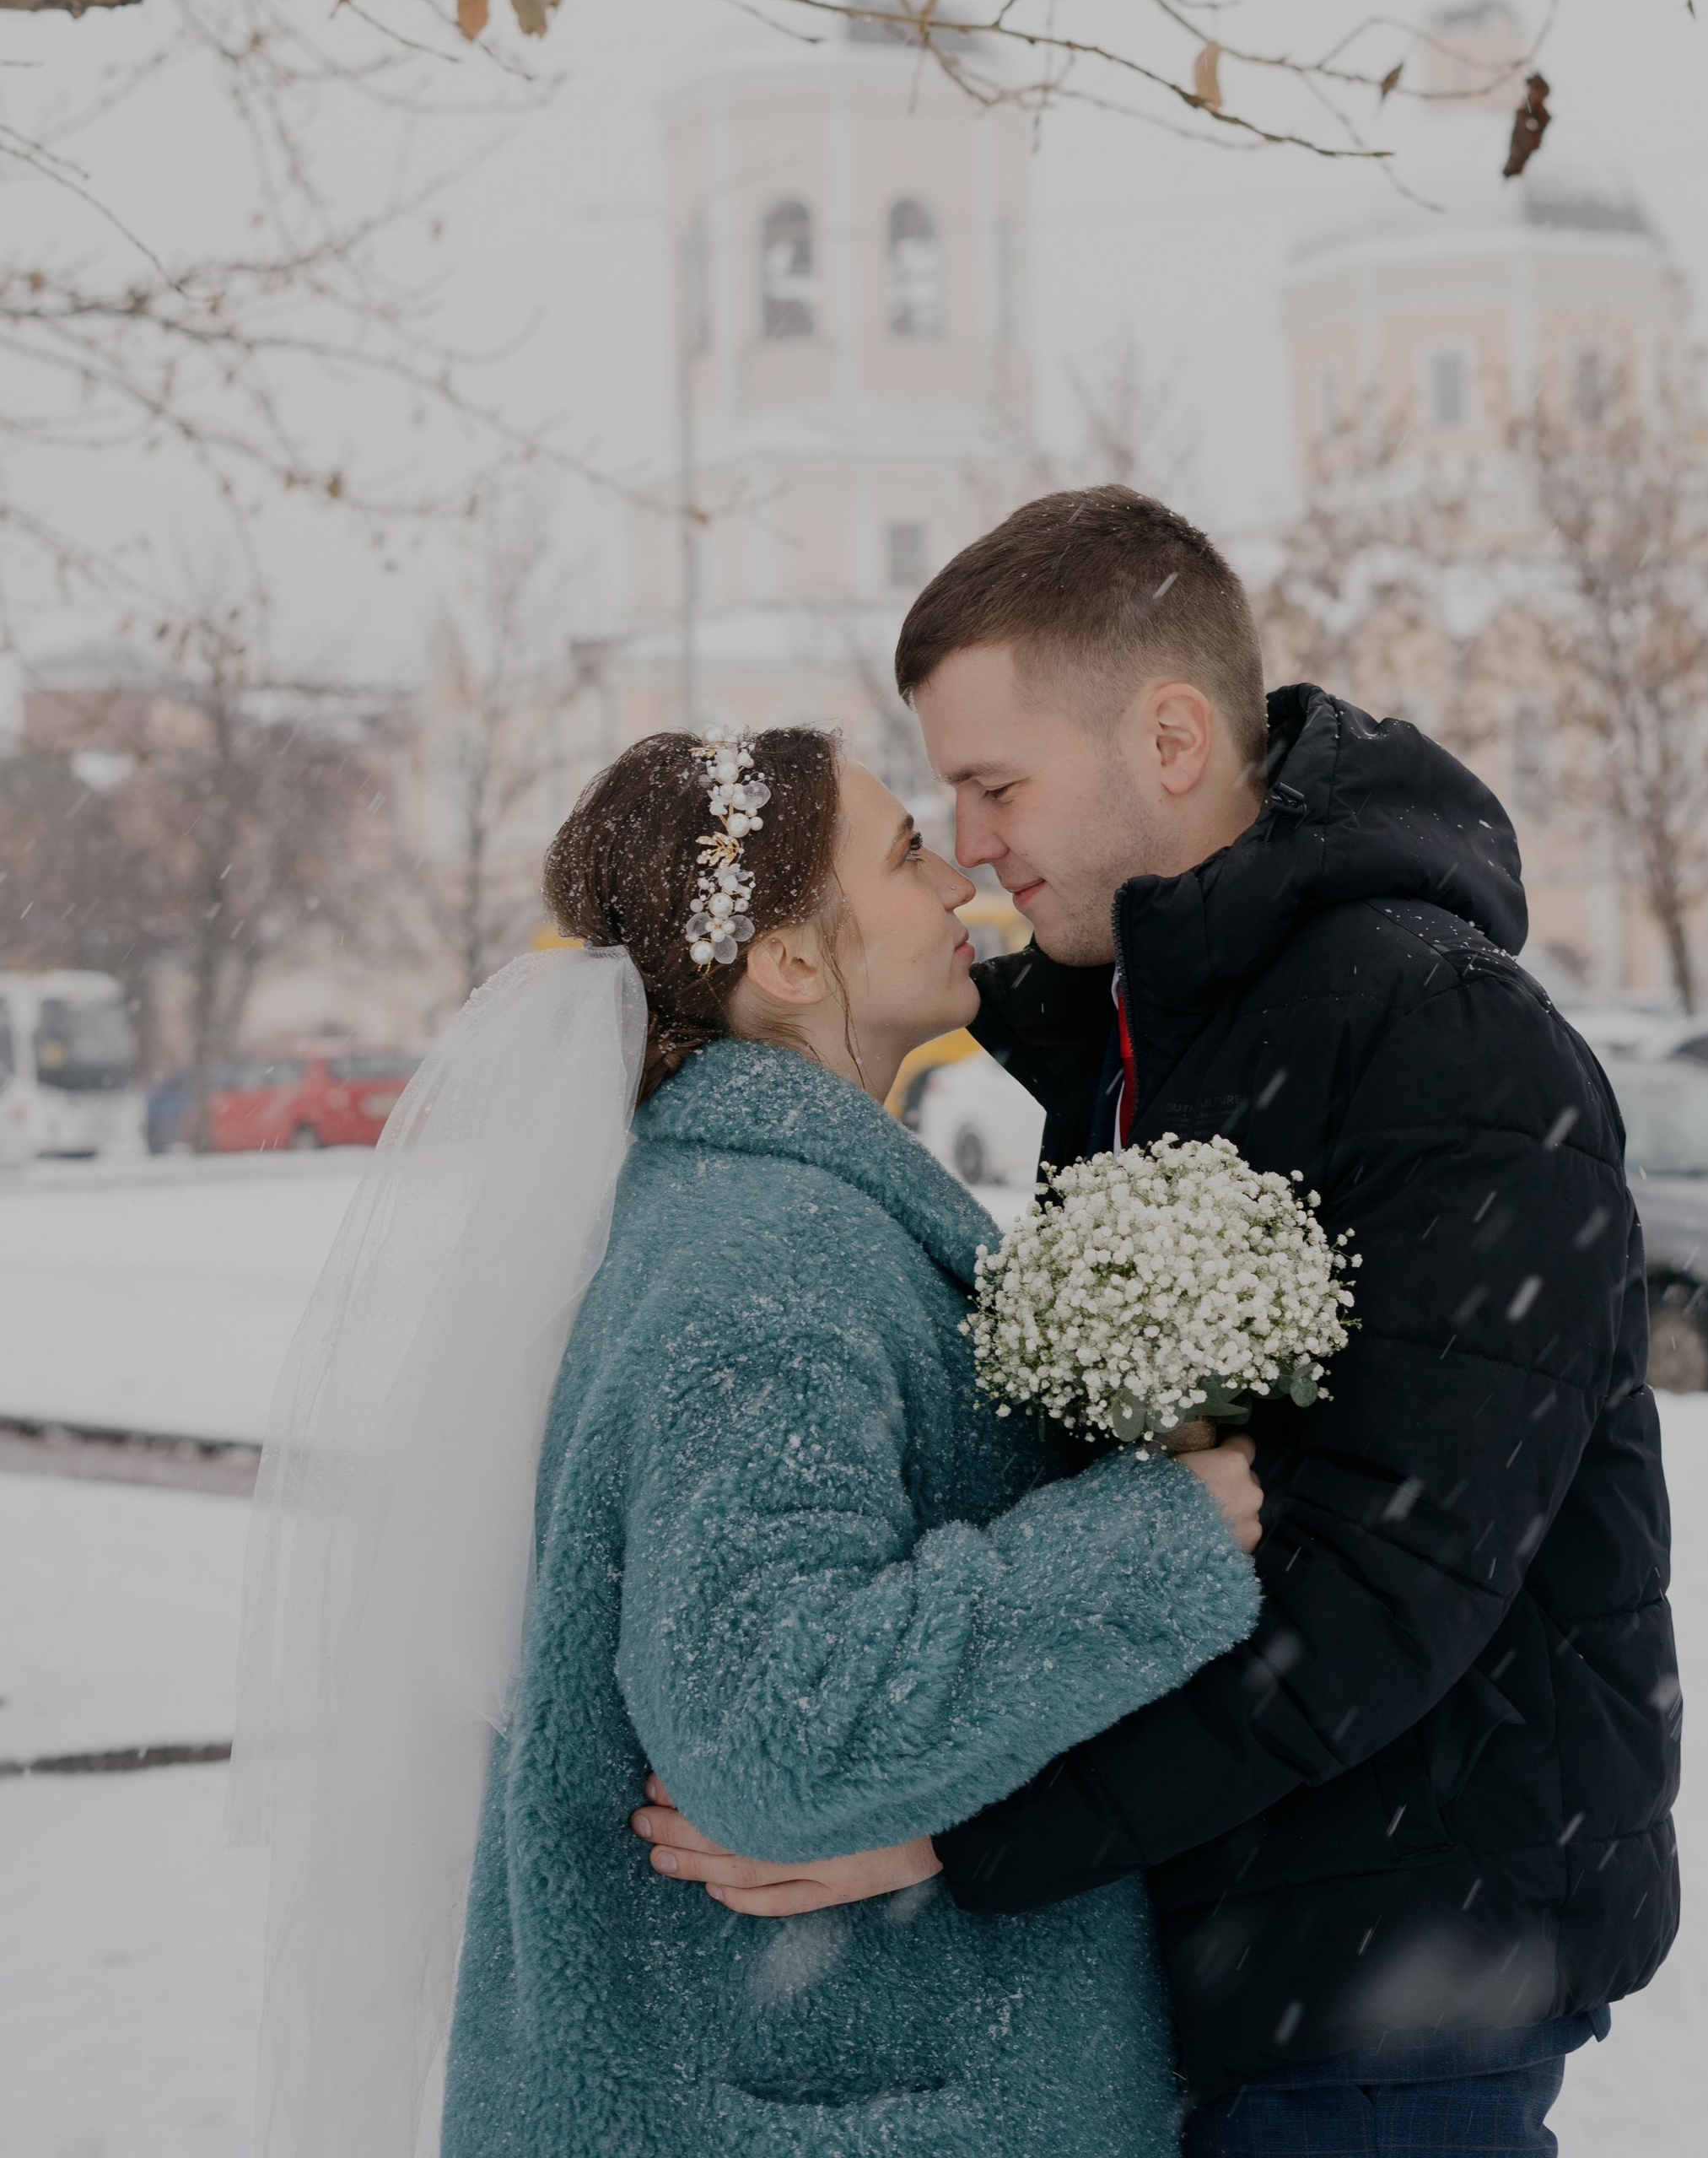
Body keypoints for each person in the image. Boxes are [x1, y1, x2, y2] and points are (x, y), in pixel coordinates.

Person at [638, 490, 1681, 2156]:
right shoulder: (1152, 1040)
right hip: (1244, 1936)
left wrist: (959, 1830)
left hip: (1395, 1962)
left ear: (1171, 736)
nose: (967, 842)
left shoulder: (1439, 1038)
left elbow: (1383, 1579)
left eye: (993, 784)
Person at [238, 723, 1265, 2158]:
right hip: (821, 2102)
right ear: (788, 960)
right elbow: (774, 1731)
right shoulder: (769, 1261)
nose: (959, 881)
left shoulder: (762, 1218)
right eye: (905, 853)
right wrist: (1155, 1538)